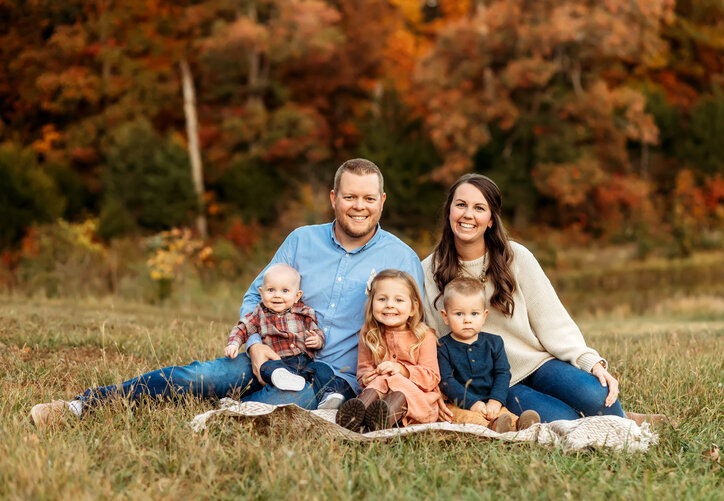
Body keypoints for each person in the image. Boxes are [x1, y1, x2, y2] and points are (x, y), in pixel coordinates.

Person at [30, 158, 425, 428]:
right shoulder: (301, 241)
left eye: (369, 198)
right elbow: (255, 296)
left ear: (382, 202)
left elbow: (417, 329)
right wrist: (253, 345)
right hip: (271, 353)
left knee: (285, 407)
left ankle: (212, 421)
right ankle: (81, 406)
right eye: (350, 197)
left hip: (333, 378)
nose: (360, 206)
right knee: (197, 376)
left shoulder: (401, 257)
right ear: (333, 198)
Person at [422, 173, 664, 425]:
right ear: (449, 210)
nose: (468, 215)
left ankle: (624, 420)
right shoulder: (429, 270)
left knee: (597, 393)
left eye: (479, 208)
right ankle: (620, 421)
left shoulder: (515, 257)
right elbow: (432, 339)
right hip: (496, 384)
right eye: (460, 205)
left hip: (538, 363)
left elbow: (553, 320)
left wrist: (591, 363)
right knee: (564, 421)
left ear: (491, 219)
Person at [335, 269, 440, 432]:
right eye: (382, 299)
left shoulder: (424, 335)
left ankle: (382, 419)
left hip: (415, 397)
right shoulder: (369, 333)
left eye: (399, 300)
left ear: (413, 308)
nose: (389, 304)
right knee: (379, 382)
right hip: (379, 389)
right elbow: (364, 369)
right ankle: (357, 414)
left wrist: (402, 370)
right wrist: (368, 378)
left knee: (398, 386)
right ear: (372, 304)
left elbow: (432, 377)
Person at [436, 277, 540, 433]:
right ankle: (492, 428)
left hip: (491, 402)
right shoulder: (442, 347)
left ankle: (521, 425)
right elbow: (446, 381)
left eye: (474, 314)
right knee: (466, 419)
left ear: (484, 316)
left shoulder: (494, 343)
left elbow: (502, 373)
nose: (467, 320)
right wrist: (472, 403)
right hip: (460, 404)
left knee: (505, 415)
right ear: (445, 316)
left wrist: (495, 401)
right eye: (459, 314)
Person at [224, 263, 334, 403]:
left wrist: (318, 340)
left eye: (285, 291)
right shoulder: (259, 314)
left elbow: (316, 331)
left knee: (322, 369)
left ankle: (328, 395)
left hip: (304, 363)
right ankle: (278, 380)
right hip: (277, 361)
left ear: (297, 295)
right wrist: (233, 344)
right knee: (266, 367)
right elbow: (242, 328)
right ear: (261, 292)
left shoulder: (304, 313)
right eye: (270, 290)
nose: (277, 296)